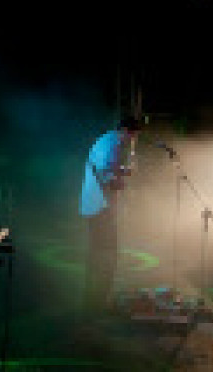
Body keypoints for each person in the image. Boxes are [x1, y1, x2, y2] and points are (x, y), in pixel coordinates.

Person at [79, 115, 141, 316]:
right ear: (125, 131)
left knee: (99, 257)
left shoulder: (106, 140)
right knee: (106, 257)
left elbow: (108, 168)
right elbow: (106, 177)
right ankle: (98, 305)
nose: (132, 141)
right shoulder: (112, 145)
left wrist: (124, 171)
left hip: (96, 207)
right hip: (100, 209)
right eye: (133, 136)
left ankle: (94, 303)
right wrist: (121, 182)